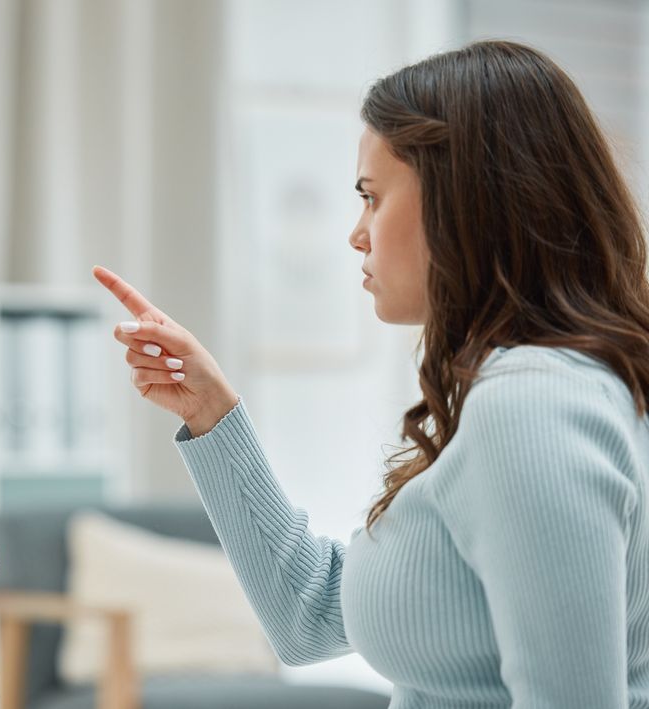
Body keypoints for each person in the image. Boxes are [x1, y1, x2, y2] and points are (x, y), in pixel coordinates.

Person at [94, 39, 649, 708]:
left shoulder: (532, 406)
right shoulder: (548, 388)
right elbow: (312, 616)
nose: (357, 233)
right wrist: (211, 413)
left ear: (463, 198)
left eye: (372, 197)